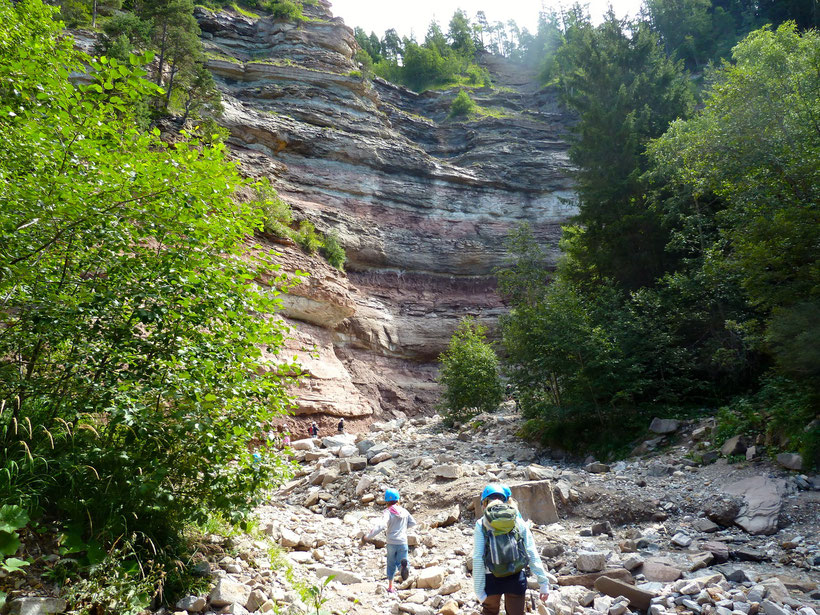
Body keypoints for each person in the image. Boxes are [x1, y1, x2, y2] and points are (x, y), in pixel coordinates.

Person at [473, 484, 550, 615]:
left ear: (484, 503)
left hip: (490, 578)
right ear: (507, 500)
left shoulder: (481, 524)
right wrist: (543, 583)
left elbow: (478, 558)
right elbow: (531, 552)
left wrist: (479, 591)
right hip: (516, 576)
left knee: (489, 612)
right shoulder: (517, 521)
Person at [365, 488, 416, 594]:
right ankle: (403, 568)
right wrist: (403, 528)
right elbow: (413, 523)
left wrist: (368, 536)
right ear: (398, 500)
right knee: (402, 560)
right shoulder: (405, 511)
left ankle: (390, 587)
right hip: (403, 541)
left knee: (391, 563)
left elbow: (382, 525)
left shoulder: (388, 512)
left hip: (391, 542)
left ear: (386, 501)